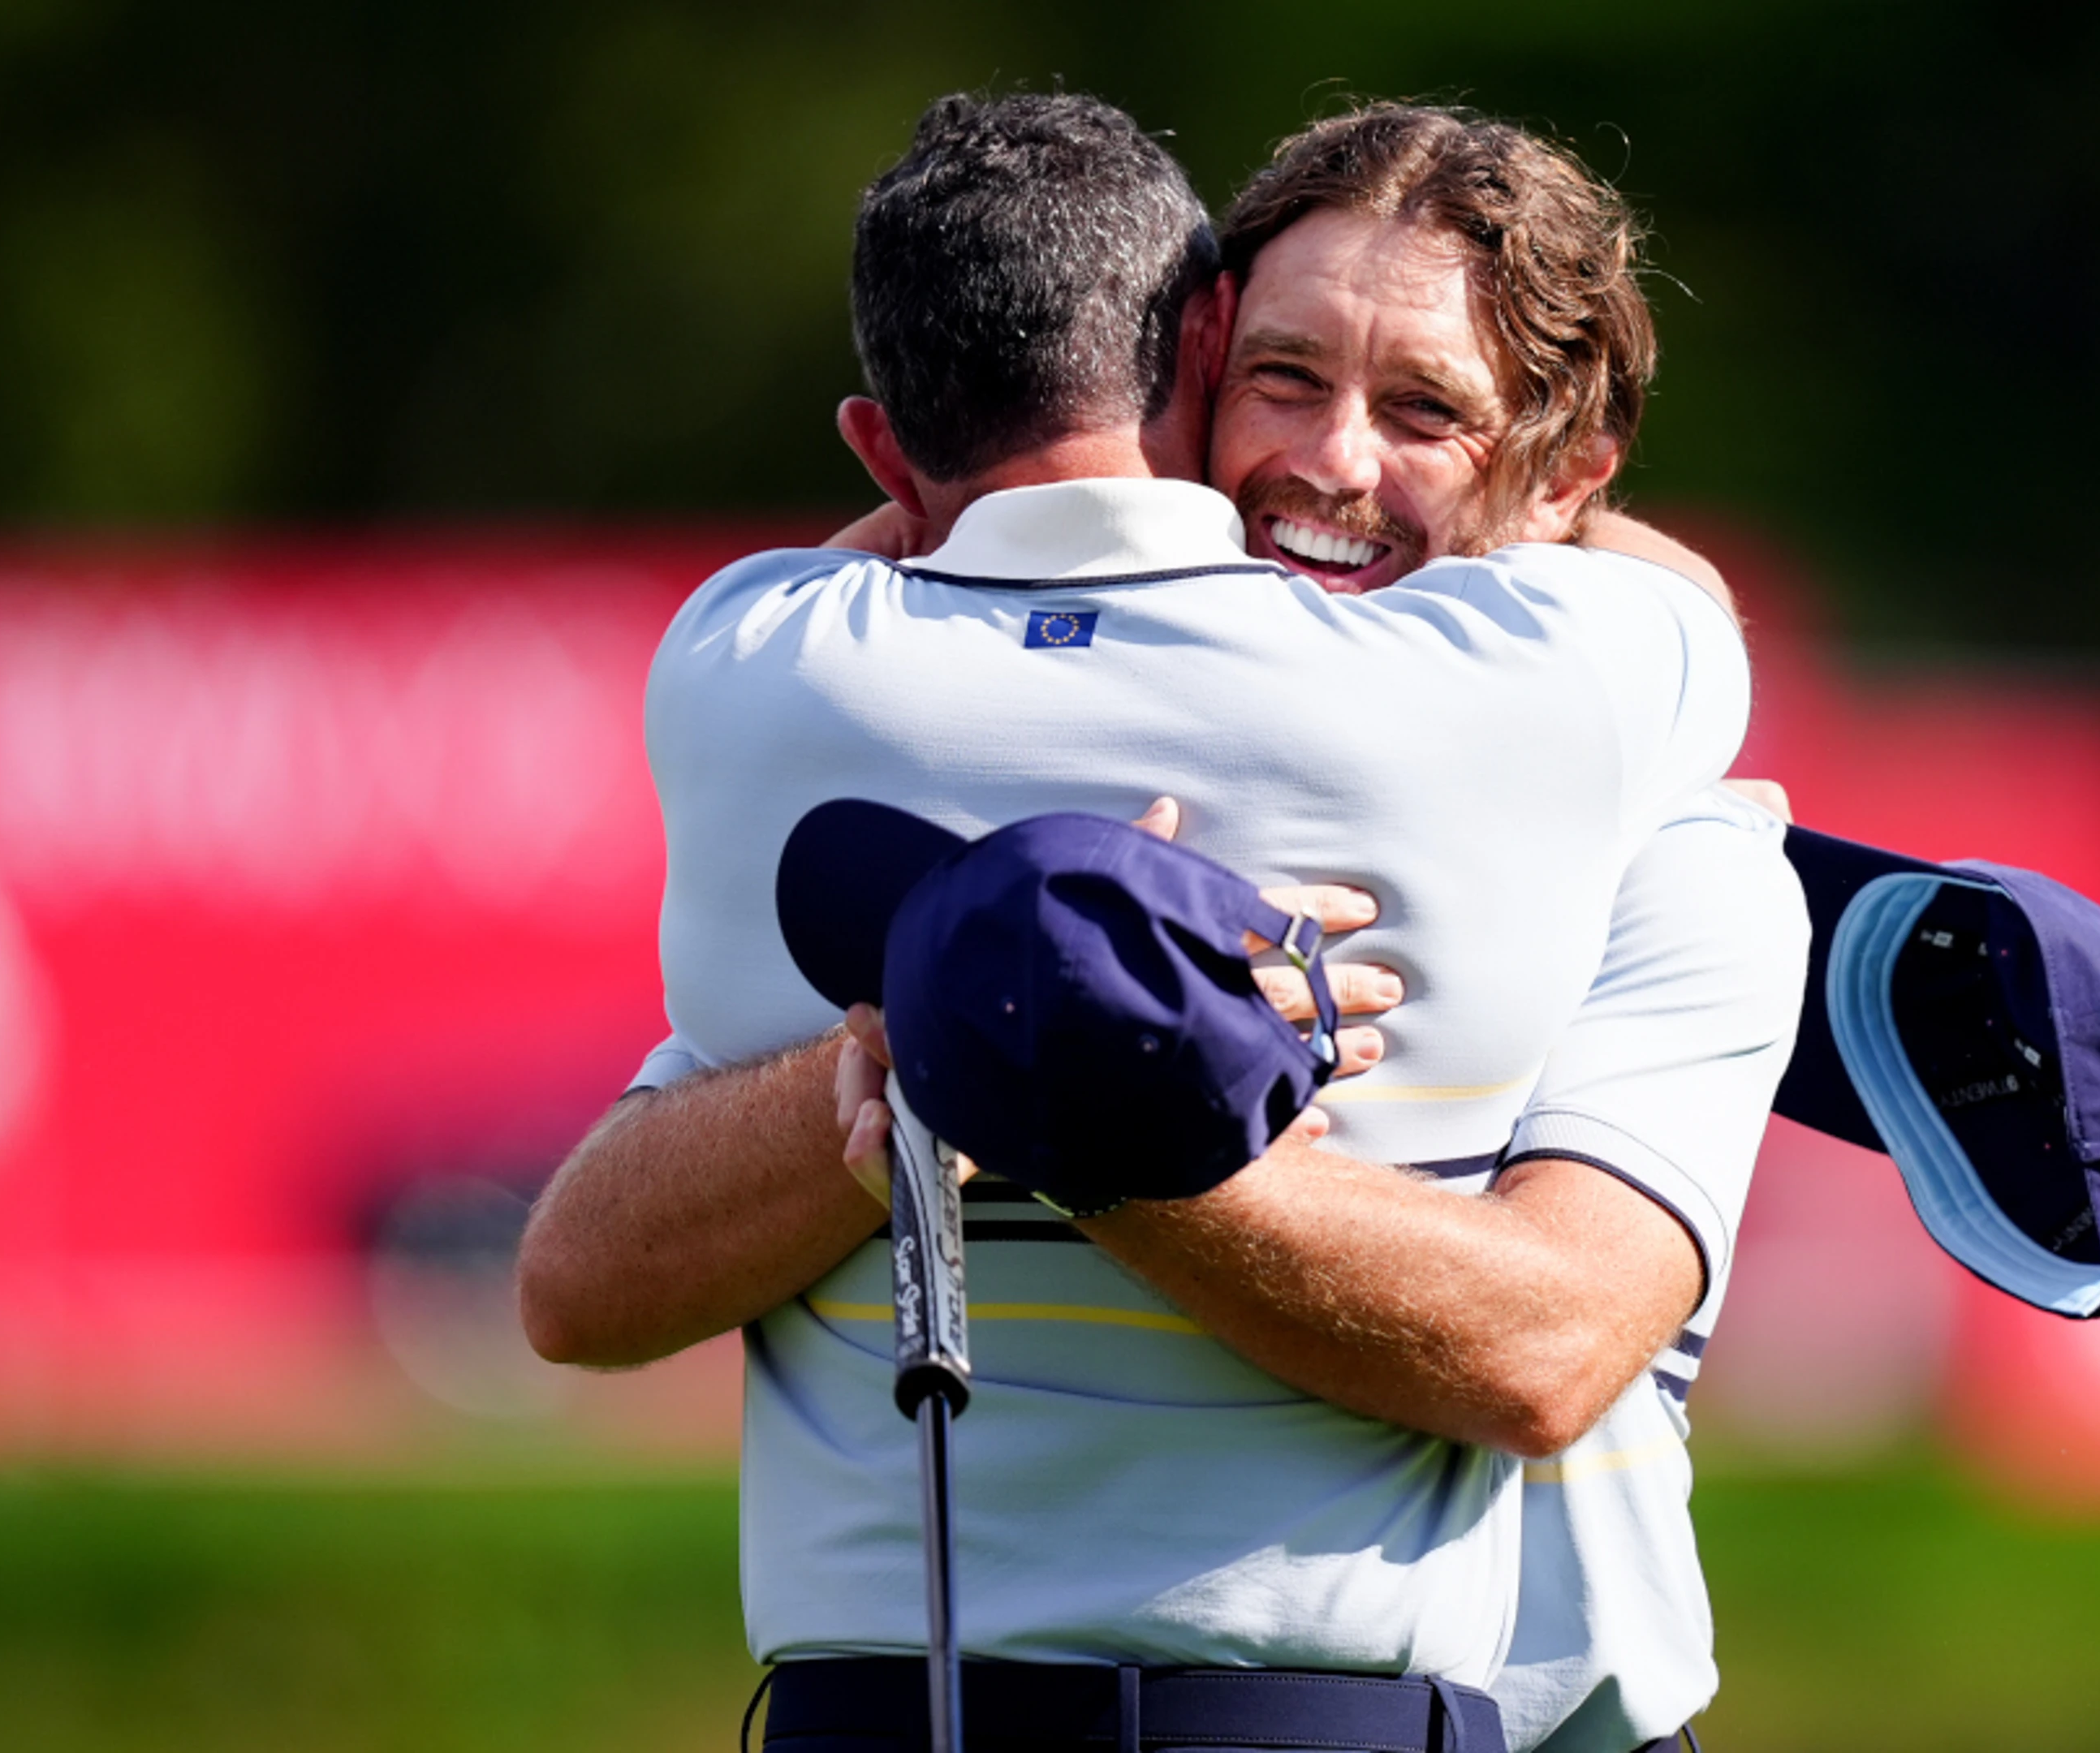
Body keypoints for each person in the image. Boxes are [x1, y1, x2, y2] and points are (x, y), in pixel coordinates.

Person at [514, 93, 1798, 1752]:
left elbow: (1546, 1348)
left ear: (1567, 483)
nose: (1332, 460)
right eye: (1284, 376)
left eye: (1425, 409)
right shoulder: (1584, 689)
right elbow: (579, 1277)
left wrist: (1046, 1056)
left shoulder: (1683, 855)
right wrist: (966, 1030)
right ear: (1191, 365)